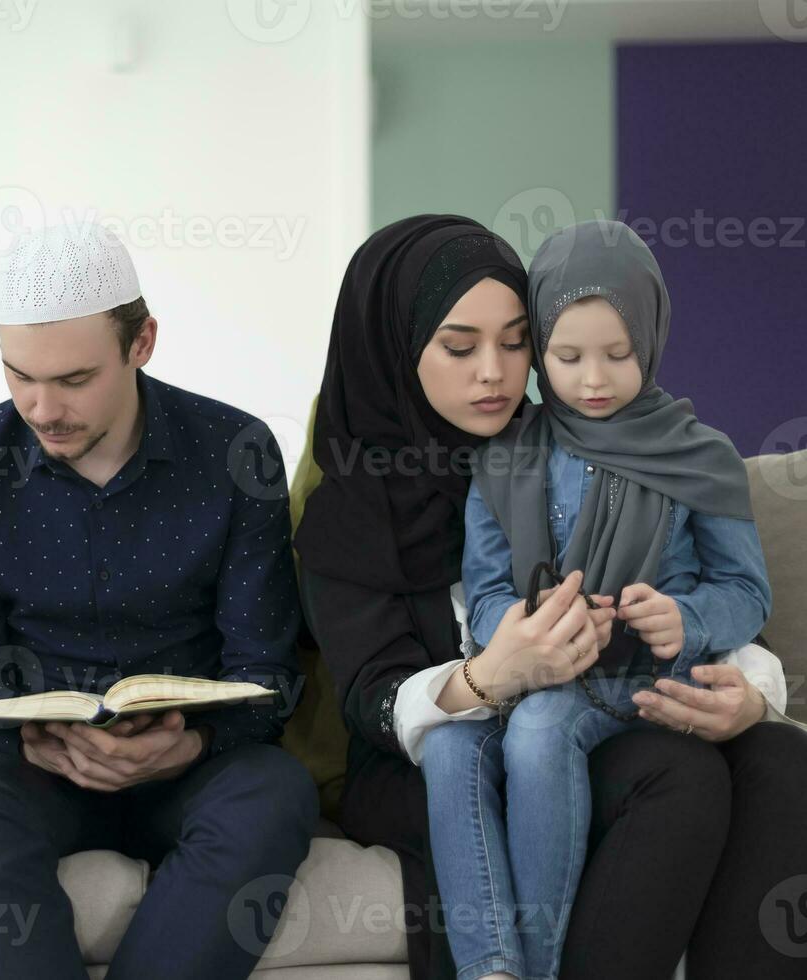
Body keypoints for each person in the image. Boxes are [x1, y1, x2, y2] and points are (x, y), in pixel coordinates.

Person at [289, 214, 807, 979]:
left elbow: (701, 582)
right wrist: (496, 672)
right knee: (678, 778)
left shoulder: (573, 437)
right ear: (400, 349)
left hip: (588, 701)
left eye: (515, 342)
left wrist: (753, 692)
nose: (495, 373)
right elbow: (374, 697)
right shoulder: (346, 502)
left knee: (775, 753)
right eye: (460, 348)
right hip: (429, 748)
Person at [0, 223, 318, 979]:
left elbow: (268, 671)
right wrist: (32, 741)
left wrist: (192, 745)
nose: (41, 407)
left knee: (276, 791)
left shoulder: (237, 451)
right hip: (39, 768)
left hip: (193, 763)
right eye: (18, 376)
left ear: (142, 344)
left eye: (73, 380)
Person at [423, 220, 772, 980]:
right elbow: (483, 592)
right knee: (448, 748)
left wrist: (688, 618)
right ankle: (492, 970)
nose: (592, 379)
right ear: (539, 352)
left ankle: (541, 969)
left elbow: (747, 590)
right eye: (566, 356)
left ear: (651, 337)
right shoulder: (508, 456)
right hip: (534, 676)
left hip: (642, 680)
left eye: (619, 354)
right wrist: (522, 634)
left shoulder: (699, 454)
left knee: (542, 726)